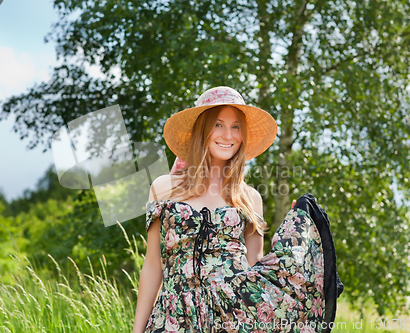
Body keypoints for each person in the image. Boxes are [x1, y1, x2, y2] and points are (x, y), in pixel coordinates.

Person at [132, 86, 343, 333]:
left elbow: (256, 270)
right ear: (202, 130)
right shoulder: (163, 188)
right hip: (173, 320)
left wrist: (296, 236)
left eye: (236, 127)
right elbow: (152, 266)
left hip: (232, 323)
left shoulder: (249, 198)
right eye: (218, 124)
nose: (227, 135)